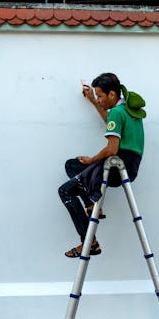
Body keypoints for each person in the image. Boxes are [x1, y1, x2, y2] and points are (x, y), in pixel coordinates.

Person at [58, 72, 146, 258]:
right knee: (72, 165)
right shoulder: (128, 110)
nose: (99, 99)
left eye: (100, 95)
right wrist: (92, 100)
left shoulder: (116, 112)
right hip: (130, 166)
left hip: (115, 166)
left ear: (112, 95)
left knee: (65, 191)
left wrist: (91, 160)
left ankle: (89, 242)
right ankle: (90, 204)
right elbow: (110, 121)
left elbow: (112, 149)